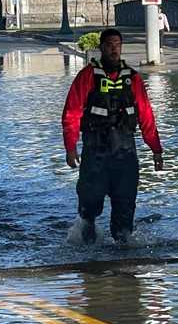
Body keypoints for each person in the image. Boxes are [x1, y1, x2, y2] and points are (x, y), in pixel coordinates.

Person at [62, 28, 164, 245]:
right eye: (109, 45)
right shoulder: (87, 76)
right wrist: (71, 148)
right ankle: (87, 252)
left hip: (125, 154)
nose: (114, 49)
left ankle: (124, 259)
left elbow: (146, 115)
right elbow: (71, 113)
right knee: (89, 205)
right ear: (101, 48)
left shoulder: (133, 79)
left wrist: (156, 149)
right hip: (95, 153)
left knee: (125, 207)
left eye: (117, 45)